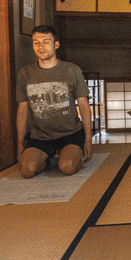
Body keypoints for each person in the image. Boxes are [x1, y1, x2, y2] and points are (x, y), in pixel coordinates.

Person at [16, 25, 92, 178]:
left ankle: (67, 155)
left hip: (70, 133)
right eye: (36, 42)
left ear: (56, 45)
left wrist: (88, 139)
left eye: (46, 42)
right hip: (39, 135)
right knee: (26, 170)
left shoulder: (71, 70)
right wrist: (20, 144)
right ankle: (47, 161)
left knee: (68, 167)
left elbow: (83, 105)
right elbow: (22, 109)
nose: (41, 46)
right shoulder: (25, 74)